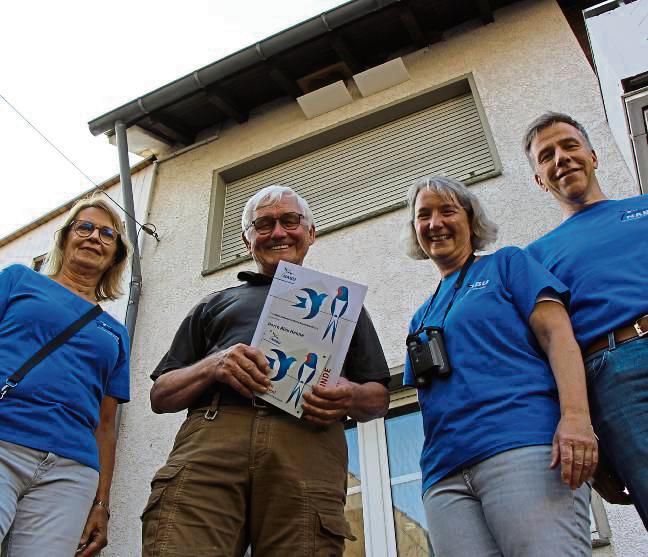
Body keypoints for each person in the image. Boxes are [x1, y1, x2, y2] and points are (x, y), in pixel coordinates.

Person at [142, 185, 390, 556]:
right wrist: (214, 364)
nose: (278, 232)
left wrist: (350, 395)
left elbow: (380, 398)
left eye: (290, 220)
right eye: (264, 224)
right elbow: (161, 395)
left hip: (308, 441)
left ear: (310, 233)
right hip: (213, 438)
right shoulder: (214, 304)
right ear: (247, 239)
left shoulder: (344, 308)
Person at [401, 175, 597, 556]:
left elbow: (558, 337)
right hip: (444, 475)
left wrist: (576, 418)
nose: (435, 223)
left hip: (523, 447)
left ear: (471, 220)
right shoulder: (420, 317)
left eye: (447, 211)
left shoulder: (508, 264)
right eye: (423, 215)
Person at [524, 112, 648, 528]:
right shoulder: (535, 258)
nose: (561, 158)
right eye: (547, 155)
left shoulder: (645, 208)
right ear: (540, 180)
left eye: (570, 146)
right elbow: (547, 356)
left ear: (593, 156)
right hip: (615, 375)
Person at [0, 196, 131, 556]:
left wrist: (101, 505)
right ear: (64, 238)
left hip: (72, 472)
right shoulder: (17, 280)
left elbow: (106, 426)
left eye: (107, 234)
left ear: (117, 254)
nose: (94, 237)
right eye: (84, 227)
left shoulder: (116, 332)